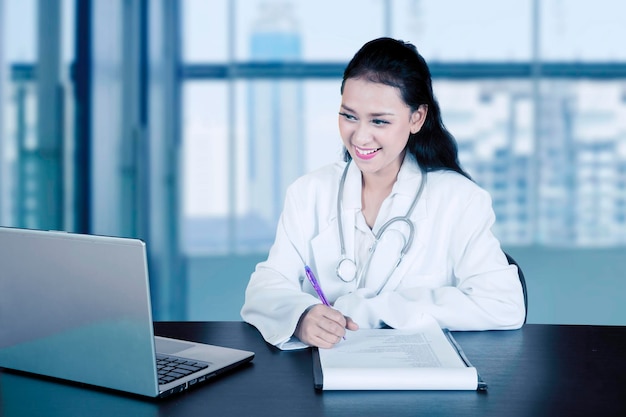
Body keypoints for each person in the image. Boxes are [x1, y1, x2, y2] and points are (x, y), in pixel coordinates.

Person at [241, 37, 526, 350]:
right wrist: (301, 316)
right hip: (323, 376)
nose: (361, 136)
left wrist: (373, 310)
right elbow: (265, 287)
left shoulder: (460, 200)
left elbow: (504, 303)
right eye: (349, 116)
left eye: (379, 121)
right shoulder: (309, 193)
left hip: (419, 379)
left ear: (416, 118)